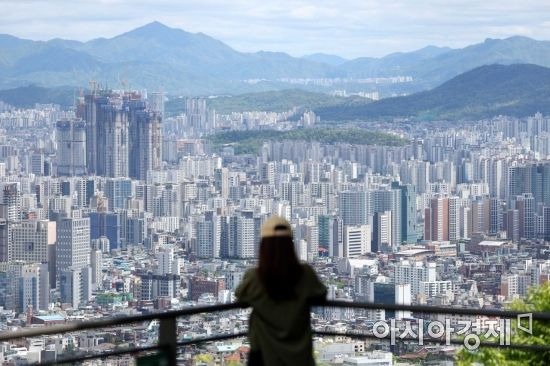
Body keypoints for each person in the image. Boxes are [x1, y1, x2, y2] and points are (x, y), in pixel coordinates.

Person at [236, 216, 327, 366]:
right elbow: (320, 295)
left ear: (263, 245)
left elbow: (241, 298)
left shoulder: (255, 277)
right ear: (290, 245)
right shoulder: (306, 275)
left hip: (263, 355)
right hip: (300, 356)